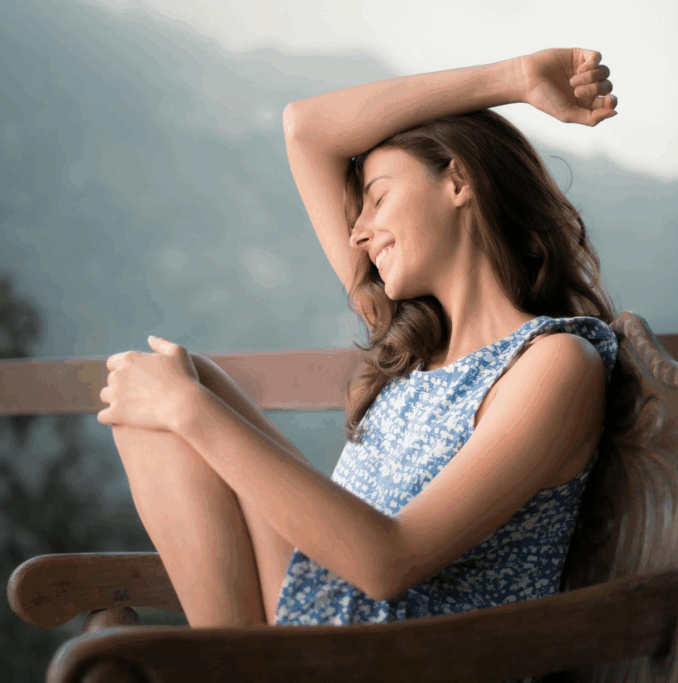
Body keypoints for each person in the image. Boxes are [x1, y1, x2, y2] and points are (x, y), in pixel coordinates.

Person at [96, 47, 618, 681]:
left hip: (403, 660)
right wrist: (510, 80)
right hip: (340, 645)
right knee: (171, 381)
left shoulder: (554, 365)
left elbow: (387, 563)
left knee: (179, 396)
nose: (357, 232)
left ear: (458, 182)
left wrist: (192, 415)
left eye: (375, 198)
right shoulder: (412, 344)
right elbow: (306, 129)